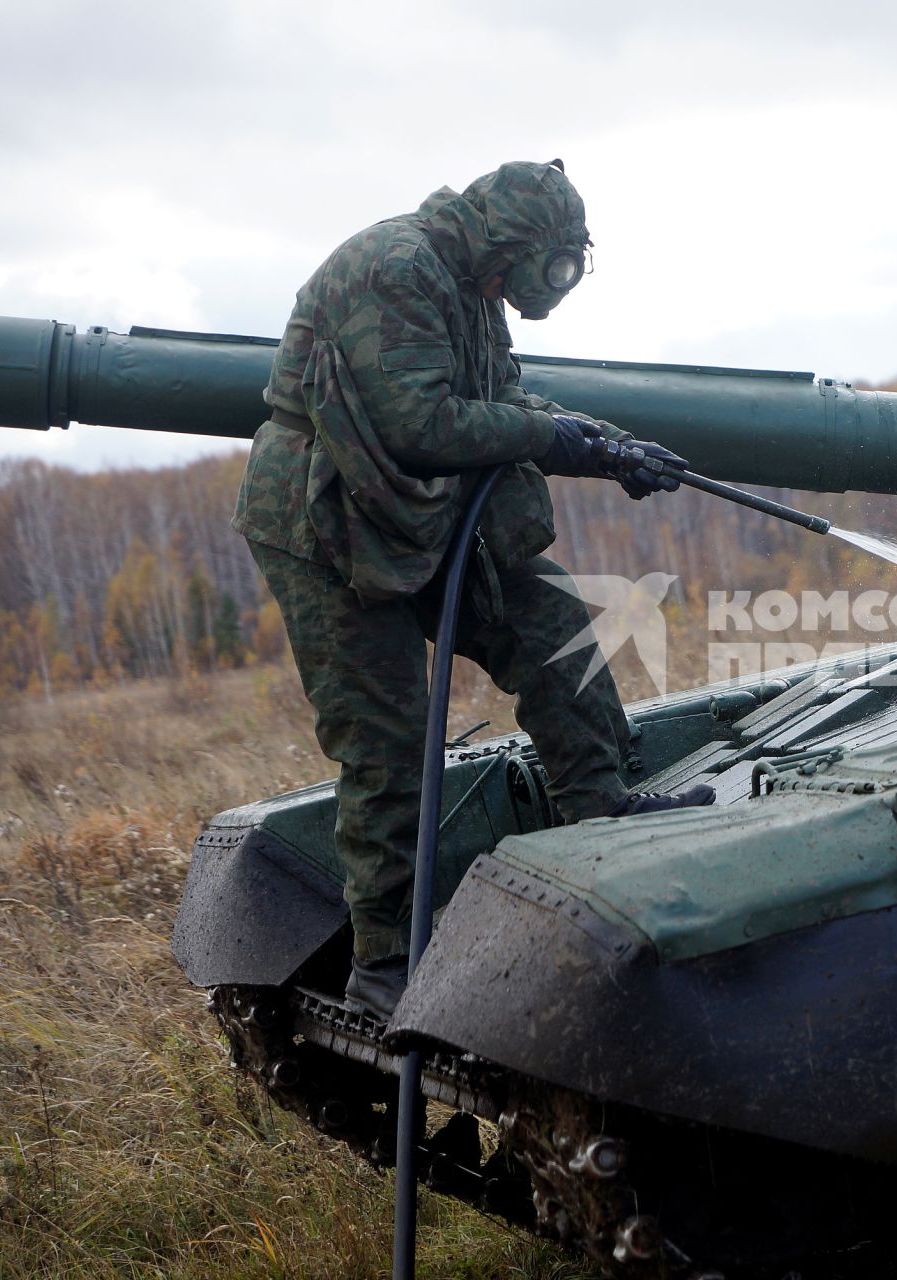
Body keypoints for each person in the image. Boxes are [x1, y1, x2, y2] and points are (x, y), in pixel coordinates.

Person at [233, 160, 713, 1018]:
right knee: (385, 739)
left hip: (408, 506)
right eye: (554, 266)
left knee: (547, 619)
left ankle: (597, 805)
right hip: (328, 518)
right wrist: (558, 440)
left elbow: (497, 398)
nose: (558, 285)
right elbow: (419, 422)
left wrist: (603, 444)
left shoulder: (471, 289)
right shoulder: (399, 267)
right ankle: (386, 967)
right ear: (515, 247)